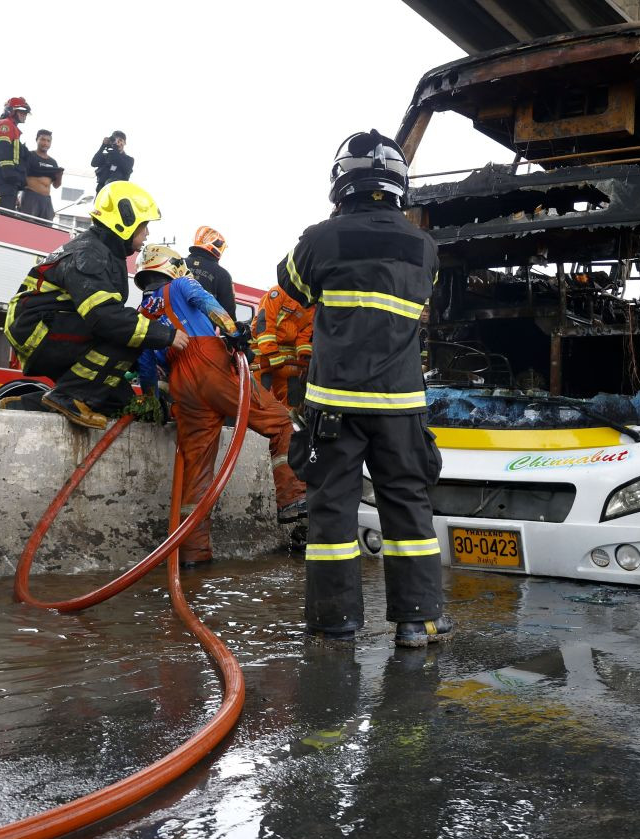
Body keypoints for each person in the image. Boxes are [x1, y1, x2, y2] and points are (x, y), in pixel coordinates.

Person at [278, 128, 453, 646]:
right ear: (399, 183)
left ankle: (335, 626)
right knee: (407, 506)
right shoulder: (424, 248)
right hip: (401, 407)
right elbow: (428, 297)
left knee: (332, 512)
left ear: (341, 182)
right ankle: (417, 622)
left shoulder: (319, 239)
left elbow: (292, 286)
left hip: (333, 406)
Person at [134, 246, 307, 570]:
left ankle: (194, 555)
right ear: (173, 267)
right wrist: (234, 332)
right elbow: (208, 304)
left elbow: (146, 366)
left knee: (197, 472)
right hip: (211, 365)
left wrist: (153, 402)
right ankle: (293, 500)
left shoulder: (144, 312)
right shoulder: (182, 285)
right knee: (280, 421)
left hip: (182, 388)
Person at [1, 181, 187, 428]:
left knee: (116, 401)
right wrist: (165, 335)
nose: (147, 234)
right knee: (128, 334)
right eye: (144, 226)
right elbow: (106, 318)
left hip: (47, 325)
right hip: (36, 329)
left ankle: (20, 407)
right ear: (125, 221)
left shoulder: (104, 251)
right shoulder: (90, 253)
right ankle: (67, 396)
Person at [253, 285, 315, 408]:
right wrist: (271, 353)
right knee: (259, 396)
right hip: (263, 351)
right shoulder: (279, 292)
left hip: (288, 355)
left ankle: (289, 424)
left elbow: (305, 335)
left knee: (293, 394)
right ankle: (256, 423)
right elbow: (265, 322)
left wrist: (305, 356)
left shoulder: (312, 306)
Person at [0, 96, 31, 211]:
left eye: (26, 112)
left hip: (9, 186)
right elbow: (1, 151)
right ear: (12, 111)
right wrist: (13, 176)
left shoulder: (12, 128)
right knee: (2, 222)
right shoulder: (5, 125)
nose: (25, 115)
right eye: (22, 111)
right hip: (3, 183)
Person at [185, 227, 237, 317]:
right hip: (202, 329)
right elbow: (228, 313)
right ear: (217, 245)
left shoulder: (177, 263)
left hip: (168, 326)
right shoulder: (222, 275)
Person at [19, 129, 63, 221]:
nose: (45, 143)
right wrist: (17, 196)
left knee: (46, 229)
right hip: (30, 197)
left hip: (46, 200)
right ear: (37, 140)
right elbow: (19, 176)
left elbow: (56, 185)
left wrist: (60, 175)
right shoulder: (29, 155)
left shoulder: (53, 162)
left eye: (48, 141)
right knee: (26, 227)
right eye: (42, 139)